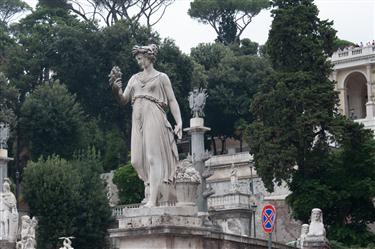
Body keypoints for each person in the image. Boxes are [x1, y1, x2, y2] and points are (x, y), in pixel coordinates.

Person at [111, 44, 182, 207]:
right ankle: (151, 187)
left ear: (149, 57)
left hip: (154, 115)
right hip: (137, 118)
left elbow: (172, 100)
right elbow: (123, 99)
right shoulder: (134, 78)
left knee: (152, 157)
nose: (138, 62)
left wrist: (179, 121)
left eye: (140, 58)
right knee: (136, 160)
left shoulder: (161, 77)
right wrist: (116, 89)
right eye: (137, 59)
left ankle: (152, 199)